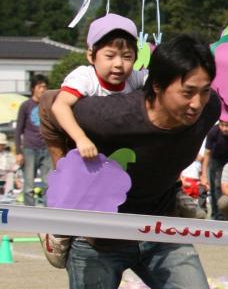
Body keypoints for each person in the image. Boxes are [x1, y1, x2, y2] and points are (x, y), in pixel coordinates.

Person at [27, 35, 220, 289]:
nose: (197, 103)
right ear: (157, 87)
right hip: (100, 235)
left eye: (204, 92)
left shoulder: (209, 110)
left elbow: (205, 106)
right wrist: (69, 176)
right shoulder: (108, 115)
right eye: (187, 92)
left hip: (160, 224)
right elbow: (49, 111)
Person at [38, 15, 148, 266]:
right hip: (75, 141)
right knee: (72, 182)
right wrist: (80, 138)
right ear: (92, 56)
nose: (119, 64)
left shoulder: (136, 78)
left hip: (111, 147)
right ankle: (56, 229)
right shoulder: (84, 77)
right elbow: (61, 106)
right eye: (110, 56)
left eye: (127, 56)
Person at [15, 73, 50, 205]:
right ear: (33, 88)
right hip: (29, 148)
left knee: (49, 184)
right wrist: (18, 152)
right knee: (29, 185)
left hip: (47, 148)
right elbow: (18, 129)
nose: (43, 89)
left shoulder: (49, 105)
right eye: (40, 86)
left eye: (45, 87)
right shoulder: (25, 105)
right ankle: (29, 216)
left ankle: (49, 213)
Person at [201, 119, 228, 218]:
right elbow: (207, 154)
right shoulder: (213, 132)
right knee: (216, 187)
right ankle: (217, 214)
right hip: (216, 160)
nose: (224, 129)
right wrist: (204, 174)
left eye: (227, 126)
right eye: (222, 125)